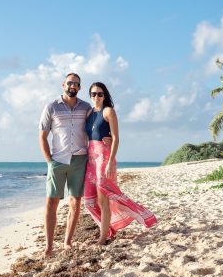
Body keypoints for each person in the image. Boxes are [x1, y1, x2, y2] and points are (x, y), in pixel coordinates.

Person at [84, 82, 157, 245]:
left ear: (105, 96)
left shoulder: (108, 111)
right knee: (89, 202)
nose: (97, 97)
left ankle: (103, 237)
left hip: (104, 157)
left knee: (104, 199)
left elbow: (116, 138)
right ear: (90, 95)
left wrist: (110, 162)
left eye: (100, 94)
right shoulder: (89, 113)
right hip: (90, 159)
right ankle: (110, 229)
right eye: (94, 94)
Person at [39, 73, 92, 257]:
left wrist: (108, 137)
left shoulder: (86, 107)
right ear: (63, 84)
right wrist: (49, 161)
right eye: (70, 83)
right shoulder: (51, 107)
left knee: (76, 202)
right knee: (51, 202)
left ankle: (67, 242)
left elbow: (97, 125)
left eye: (76, 84)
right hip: (58, 161)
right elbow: (43, 136)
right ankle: (48, 246)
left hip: (80, 159)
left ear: (79, 87)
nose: (72, 86)